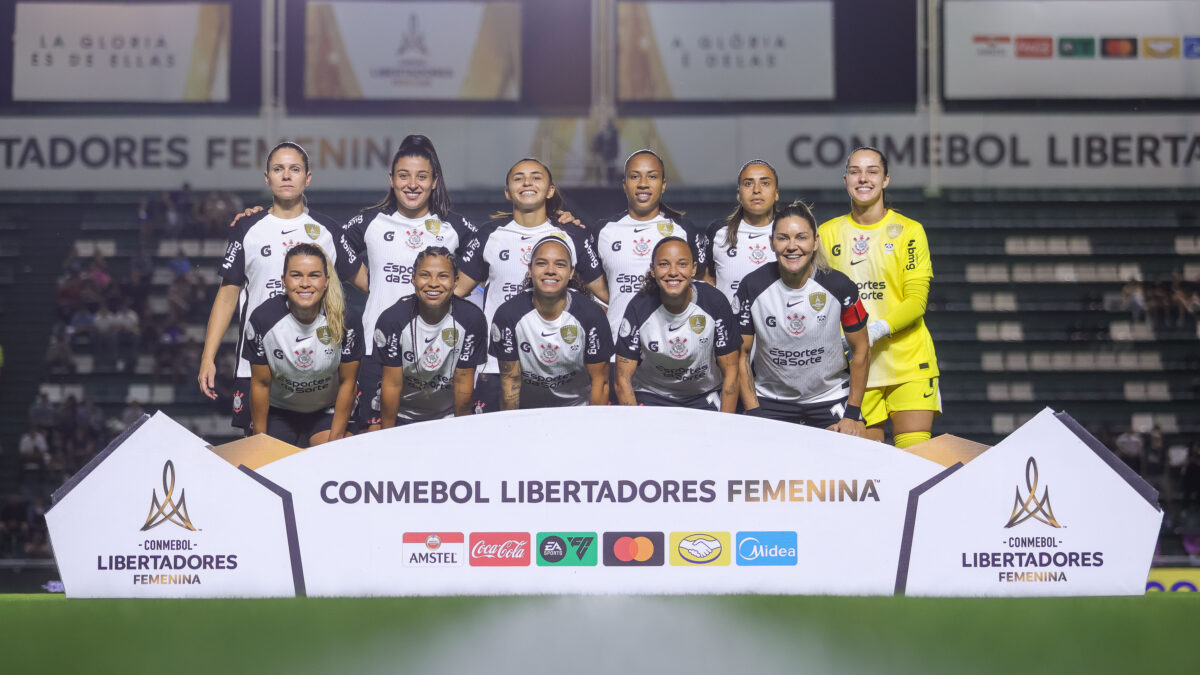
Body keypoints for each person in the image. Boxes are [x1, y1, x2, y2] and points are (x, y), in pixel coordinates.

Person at [197, 141, 352, 432]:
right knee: (262, 464)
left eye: (294, 169)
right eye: (278, 169)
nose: (286, 176)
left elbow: (369, 280)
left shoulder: (329, 230)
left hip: (319, 367)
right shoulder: (247, 227)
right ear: (267, 178)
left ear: (307, 178)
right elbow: (228, 295)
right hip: (258, 366)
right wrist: (209, 357)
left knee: (322, 463)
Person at [332, 135, 479, 430]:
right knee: (375, 434)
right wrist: (368, 283)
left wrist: (458, 290)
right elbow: (335, 243)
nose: (412, 184)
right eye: (404, 176)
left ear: (434, 181)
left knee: (439, 434)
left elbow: (484, 250)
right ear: (391, 179)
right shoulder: (372, 221)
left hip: (440, 348)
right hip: (378, 345)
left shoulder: (453, 225)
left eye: (422, 177)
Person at [456, 158, 607, 413]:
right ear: (507, 191)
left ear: (550, 190)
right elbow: (456, 292)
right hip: (496, 364)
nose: (527, 182)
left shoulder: (572, 234)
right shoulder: (489, 235)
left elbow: (606, 295)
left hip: (559, 368)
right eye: (518, 178)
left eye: (536, 177)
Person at [818, 147, 940, 448]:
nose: (863, 178)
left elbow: (916, 301)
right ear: (845, 179)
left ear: (885, 180)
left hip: (909, 363)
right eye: (856, 171)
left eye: (872, 171)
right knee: (872, 471)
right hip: (857, 368)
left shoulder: (910, 231)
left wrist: (874, 329)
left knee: (917, 462)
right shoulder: (826, 233)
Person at [736, 201, 870, 434]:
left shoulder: (839, 286)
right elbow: (741, 355)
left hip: (829, 397)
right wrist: (754, 412)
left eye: (801, 237)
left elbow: (861, 349)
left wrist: (852, 415)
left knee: (855, 448)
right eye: (783, 238)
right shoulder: (752, 286)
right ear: (771, 243)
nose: (792, 246)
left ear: (815, 241)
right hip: (770, 399)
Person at [244, 243, 362, 446]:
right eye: (296, 275)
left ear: (326, 281)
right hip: (280, 411)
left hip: (328, 410)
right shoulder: (263, 319)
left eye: (314, 275)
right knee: (270, 464)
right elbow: (261, 384)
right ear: (283, 281)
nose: (305, 283)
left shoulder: (346, 319)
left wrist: (334, 444)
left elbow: (347, 383)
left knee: (333, 458)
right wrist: (259, 443)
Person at [595, 150, 708, 347]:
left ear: (663, 185)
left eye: (652, 176)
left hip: (671, 346)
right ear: (624, 185)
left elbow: (703, 287)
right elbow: (594, 286)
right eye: (635, 176)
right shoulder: (603, 231)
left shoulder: (683, 229)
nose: (643, 183)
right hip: (617, 345)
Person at [614, 237, 739, 411]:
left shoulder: (715, 302)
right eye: (664, 264)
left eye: (682, 264)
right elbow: (622, 378)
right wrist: (636, 424)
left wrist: (725, 424)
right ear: (653, 270)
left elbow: (732, 370)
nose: (673, 272)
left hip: (703, 396)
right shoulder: (639, 306)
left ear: (694, 268)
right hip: (652, 395)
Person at [490, 234, 613, 409]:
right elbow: (510, 381)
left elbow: (600, 383)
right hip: (528, 411)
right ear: (530, 270)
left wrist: (593, 429)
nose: (550, 270)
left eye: (560, 264)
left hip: (577, 409)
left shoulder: (591, 315)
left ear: (571, 272)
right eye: (541, 263)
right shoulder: (508, 315)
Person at [375, 247, 487, 427]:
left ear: (456, 280)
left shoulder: (472, 319)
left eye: (443, 276)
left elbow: (463, 385)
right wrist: (387, 434)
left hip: (448, 415)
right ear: (413, 279)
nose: (433, 283)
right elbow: (392, 385)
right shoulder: (392, 320)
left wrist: (462, 434)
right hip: (403, 413)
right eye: (425, 275)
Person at [704, 159, 781, 305]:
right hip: (729, 326)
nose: (756, 189)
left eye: (765, 183)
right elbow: (706, 281)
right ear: (739, 195)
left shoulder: (791, 234)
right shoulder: (718, 232)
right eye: (748, 183)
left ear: (776, 193)